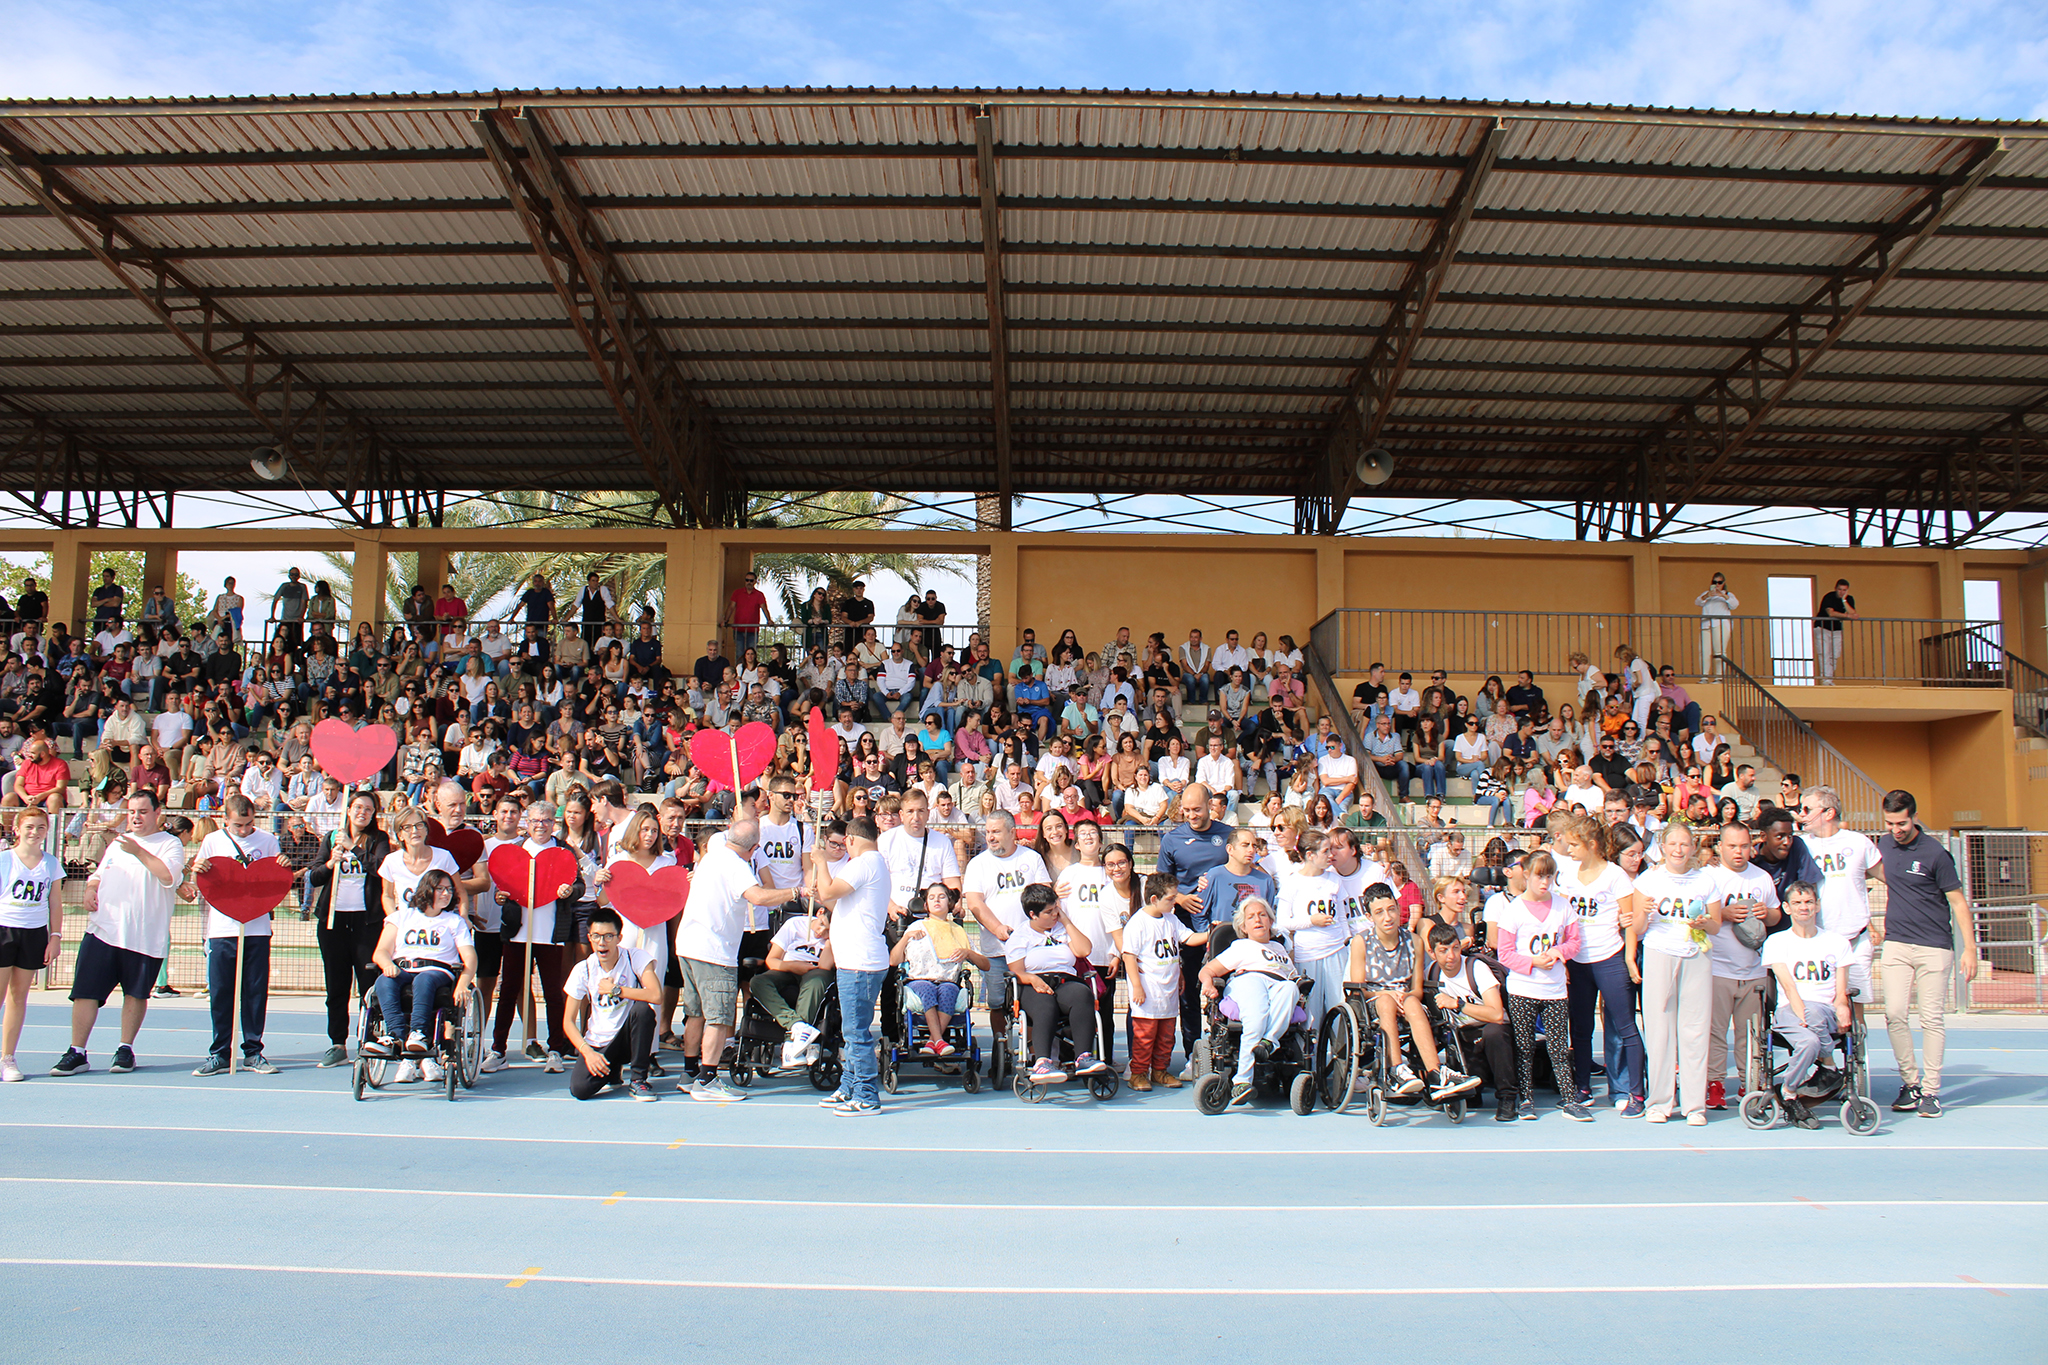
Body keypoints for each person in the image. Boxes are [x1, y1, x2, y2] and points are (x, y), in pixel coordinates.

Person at [53, 790, 185, 1076]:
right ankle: (77, 1051)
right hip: (103, 931)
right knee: (85, 993)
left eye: (142, 811)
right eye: (132, 811)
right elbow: (99, 874)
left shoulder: (169, 844)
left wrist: (138, 851)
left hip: (144, 937)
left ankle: (125, 1048)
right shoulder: (117, 844)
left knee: (135, 995)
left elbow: (168, 876)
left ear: (157, 812)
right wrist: (90, 889)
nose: (135, 817)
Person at [673, 817, 799, 1100]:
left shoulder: (713, 852)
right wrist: (795, 891)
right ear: (754, 848)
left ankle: (690, 1072)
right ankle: (706, 1079)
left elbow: (732, 835)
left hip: (688, 944)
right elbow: (758, 897)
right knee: (718, 1017)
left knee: (696, 1013)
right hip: (713, 950)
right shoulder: (737, 866)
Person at [1874, 789, 1976, 1118]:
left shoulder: (1936, 853)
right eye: (1890, 823)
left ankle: (1931, 1090)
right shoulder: (1884, 845)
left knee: (1931, 1018)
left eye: (1901, 823)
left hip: (1934, 947)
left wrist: (1970, 949)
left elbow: (1958, 902)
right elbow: (1872, 874)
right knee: (1895, 1013)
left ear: (1914, 817)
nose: (1896, 829)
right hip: (1897, 944)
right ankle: (1911, 1083)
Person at [182, 794, 287, 1076]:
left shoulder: (266, 841)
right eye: (238, 825)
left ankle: (253, 1051)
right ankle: (219, 1053)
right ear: (225, 820)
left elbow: (273, 880)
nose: (243, 831)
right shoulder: (213, 841)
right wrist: (198, 869)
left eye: (248, 824)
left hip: (256, 928)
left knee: (254, 991)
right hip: (222, 929)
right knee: (221, 992)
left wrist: (282, 866)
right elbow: (203, 880)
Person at [1633, 822, 1725, 1124]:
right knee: (1659, 1030)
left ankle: (1694, 1106)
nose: (1679, 850)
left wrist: (1703, 924)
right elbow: (1636, 929)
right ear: (1662, 847)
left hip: (1696, 955)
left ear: (1693, 847)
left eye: (1685, 844)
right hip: (1660, 953)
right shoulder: (1648, 880)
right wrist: (1644, 913)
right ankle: (1659, 1103)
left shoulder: (1706, 880)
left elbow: (1716, 924)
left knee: (1695, 1030)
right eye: (1673, 844)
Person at [1350, 882, 1476, 1101]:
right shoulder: (1361, 941)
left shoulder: (1415, 941)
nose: (1387, 917)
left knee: (1412, 1002)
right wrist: (1386, 995)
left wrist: (1405, 996)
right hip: (1373, 1001)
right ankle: (1396, 1070)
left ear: (1399, 909)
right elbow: (1358, 988)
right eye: (1379, 912)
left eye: (1391, 909)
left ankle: (1436, 1073)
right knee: (1387, 1002)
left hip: (1406, 1000)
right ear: (1370, 917)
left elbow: (1417, 989)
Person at [1493, 851, 1594, 1121]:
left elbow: (1574, 942)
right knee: (1524, 1047)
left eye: (1549, 875)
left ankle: (1570, 1099)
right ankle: (1526, 1099)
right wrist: (1534, 962)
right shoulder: (1513, 910)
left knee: (1559, 1048)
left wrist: (1559, 952)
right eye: (1539, 875)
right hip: (1523, 989)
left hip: (1555, 990)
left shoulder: (1563, 906)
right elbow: (1505, 954)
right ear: (1525, 873)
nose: (1544, 881)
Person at [1556, 814, 1646, 1116]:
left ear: (1591, 845)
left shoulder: (1615, 875)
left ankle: (1635, 1093)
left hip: (1609, 957)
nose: (1568, 850)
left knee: (1625, 1027)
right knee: (1581, 1028)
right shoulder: (1568, 874)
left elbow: (1629, 921)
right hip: (1579, 962)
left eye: (1573, 845)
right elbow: (1565, 920)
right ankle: (1582, 1087)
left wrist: (1630, 958)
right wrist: (1564, 959)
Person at [487, 802, 581, 1073]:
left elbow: (579, 885)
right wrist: (500, 897)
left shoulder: (564, 850)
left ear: (555, 822)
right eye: (536, 820)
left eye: (547, 820)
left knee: (553, 993)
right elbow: (504, 888)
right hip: (518, 933)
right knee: (508, 992)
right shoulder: (517, 851)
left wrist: (569, 890)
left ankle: (556, 1049)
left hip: (551, 935)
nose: (541, 824)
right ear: (526, 823)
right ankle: (498, 1050)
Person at [807, 814, 893, 1115]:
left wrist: (819, 862)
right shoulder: (872, 864)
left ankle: (867, 1093)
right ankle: (849, 1086)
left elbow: (830, 891)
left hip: (860, 962)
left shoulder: (864, 863)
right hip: (857, 960)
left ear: (852, 840)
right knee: (851, 1030)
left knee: (856, 1032)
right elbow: (835, 899)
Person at [304, 789, 389, 1067]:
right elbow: (315, 876)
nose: (362, 813)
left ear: (374, 814)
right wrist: (331, 861)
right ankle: (337, 1043)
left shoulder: (378, 839)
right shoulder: (332, 838)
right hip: (334, 921)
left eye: (368, 809)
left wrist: (354, 848)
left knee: (369, 984)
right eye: (357, 808)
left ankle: (370, 1039)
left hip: (366, 922)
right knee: (337, 985)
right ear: (348, 809)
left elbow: (381, 869)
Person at [367, 869, 477, 1085]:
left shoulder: (454, 922)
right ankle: (396, 1036)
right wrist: (387, 964)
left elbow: (470, 958)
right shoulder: (401, 917)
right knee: (383, 980)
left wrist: (463, 982)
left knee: (424, 979)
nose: (446, 893)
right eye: (441, 889)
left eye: (449, 889)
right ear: (428, 890)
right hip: (403, 967)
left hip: (436, 970)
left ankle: (419, 1033)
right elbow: (380, 952)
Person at [1761, 881, 1853, 1130]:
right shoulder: (1777, 942)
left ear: (1817, 906)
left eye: (1809, 902)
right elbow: (1789, 987)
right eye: (1798, 903)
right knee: (1809, 1041)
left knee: (1815, 1013)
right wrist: (1803, 1015)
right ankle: (1809, 1078)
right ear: (1787, 908)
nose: (1804, 907)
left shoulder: (1837, 942)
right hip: (1791, 1011)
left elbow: (1841, 991)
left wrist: (1843, 1005)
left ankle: (1792, 1088)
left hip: (1825, 1012)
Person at [1706, 820, 1781, 1111]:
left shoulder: (1761, 877)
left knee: (1750, 1033)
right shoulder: (1709, 877)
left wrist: (1767, 914)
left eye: (1744, 846)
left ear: (1752, 846)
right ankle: (1714, 1083)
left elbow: (1775, 915)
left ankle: (1749, 1082)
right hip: (1717, 968)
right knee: (1715, 1031)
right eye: (1732, 846)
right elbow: (1700, 917)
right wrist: (1723, 913)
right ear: (1720, 847)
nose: (1739, 852)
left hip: (1753, 969)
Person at [1196, 898, 1296, 1107]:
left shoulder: (1279, 948)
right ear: (1243, 927)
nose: (1257, 920)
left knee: (1291, 988)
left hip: (1279, 985)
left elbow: (1292, 977)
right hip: (1249, 980)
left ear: (1270, 921)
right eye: (1251, 917)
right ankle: (1241, 1081)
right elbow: (1208, 970)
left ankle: (1268, 1042)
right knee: (1257, 1019)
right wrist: (1208, 984)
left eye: (1262, 915)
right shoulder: (1241, 946)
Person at [1005, 882, 1106, 1085]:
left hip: (1065, 981)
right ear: (1033, 914)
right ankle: (1042, 1062)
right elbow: (1016, 972)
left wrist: (1066, 920)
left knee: (1082, 994)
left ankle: (1083, 1057)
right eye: (1049, 912)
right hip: (1033, 983)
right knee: (1045, 1003)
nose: (1054, 915)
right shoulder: (1020, 936)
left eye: (1056, 909)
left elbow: (1084, 950)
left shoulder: (1061, 929)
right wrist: (1032, 979)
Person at [1796, 784, 1882, 1013]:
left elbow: (1888, 876)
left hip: (1856, 939)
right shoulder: (1802, 845)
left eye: (1807, 808)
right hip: (1817, 940)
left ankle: (1859, 1050)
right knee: (1819, 1009)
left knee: (1855, 1013)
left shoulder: (1858, 842)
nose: (1802, 814)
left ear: (1829, 812)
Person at [564, 906, 661, 1101]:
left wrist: (617, 990)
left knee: (643, 1010)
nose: (602, 942)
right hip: (599, 1042)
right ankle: (612, 1069)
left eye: (609, 936)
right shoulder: (583, 969)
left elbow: (656, 995)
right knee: (580, 1090)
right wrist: (587, 1052)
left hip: (627, 1038)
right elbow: (568, 1021)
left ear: (619, 938)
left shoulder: (635, 957)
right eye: (597, 936)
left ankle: (638, 1080)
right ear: (589, 937)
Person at [1424, 923, 1516, 1121]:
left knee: (1494, 1033)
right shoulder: (1430, 973)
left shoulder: (1476, 969)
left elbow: (1497, 1015)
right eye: (1444, 950)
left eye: (1455, 948)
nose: (1451, 956)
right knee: (1471, 1096)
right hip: (1464, 1037)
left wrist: (1458, 1004)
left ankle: (1507, 1097)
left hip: (1492, 1031)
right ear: (1432, 953)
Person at [0, 809, 65, 1082]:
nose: (34, 832)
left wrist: (55, 937)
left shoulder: (51, 864)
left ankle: (7, 1058)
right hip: (4, 929)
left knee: (18, 997)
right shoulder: (5, 860)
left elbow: (55, 903)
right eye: (29, 826)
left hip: (34, 933)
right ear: (17, 828)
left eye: (40, 827)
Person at [1122, 872, 1200, 1092]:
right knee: (1145, 1036)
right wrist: (1136, 985)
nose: (1175, 902)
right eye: (1170, 898)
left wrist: (1212, 933)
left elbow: (1188, 939)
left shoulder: (1172, 919)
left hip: (1168, 989)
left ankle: (1160, 1070)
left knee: (1166, 1035)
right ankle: (1138, 1073)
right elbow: (1129, 957)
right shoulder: (1138, 923)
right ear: (1154, 899)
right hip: (1148, 990)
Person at [892, 883, 987, 1059]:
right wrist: (905, 938)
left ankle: (932, 1042)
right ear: (925, 905)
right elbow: (894, 961)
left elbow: (985, 965)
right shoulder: (916, 927)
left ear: (949, 903)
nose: (937, 900)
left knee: (949, 990)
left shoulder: (958, 931)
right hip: (919, 980)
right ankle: (939, 1040)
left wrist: (968, 953)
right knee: (927, 989)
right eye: (932, 897)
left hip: (947, 981)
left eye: (942, 897)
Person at [753, 903, 834, 1068]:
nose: (821, 933)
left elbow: (824, 967)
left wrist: (831, 939)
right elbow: (771, 959)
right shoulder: (795, 924)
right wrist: (791, 966)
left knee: (816, 981)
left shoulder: (835, 936)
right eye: (822, 925)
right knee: (758, 982)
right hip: (788, 967)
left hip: (815, 970)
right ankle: (797, 1026)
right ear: (819, 913)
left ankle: (792, 1044)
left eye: (827, 931)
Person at [1813, 578, 1856, 685]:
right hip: (1822, 627)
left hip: (1836, 629)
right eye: (1840, 589)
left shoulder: (1848, 599)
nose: (1842, 592)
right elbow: (1831, 613)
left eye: (1844, 590)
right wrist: (1847, 616)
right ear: (1836, 589)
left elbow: (1853, 613)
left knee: (1835, 654)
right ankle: (1826, 679)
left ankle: (1829, 678)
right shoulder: (1829, 597)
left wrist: (1844, 601)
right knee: (1824, 653)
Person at [1696, 572, 1738, 678]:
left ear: (1723, 583)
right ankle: (1704, 676)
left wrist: (1723, 595)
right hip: (1706, 624)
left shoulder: (1728, 594)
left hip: (1721, 624)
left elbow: (1734, 605)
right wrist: (1708, 595)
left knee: (1719, 651)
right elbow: (1698, 602)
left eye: (1720, 582)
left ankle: (1719, 676)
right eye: (1715, 582)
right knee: (1704, 651)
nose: (1717, 584)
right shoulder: (1707, 594)